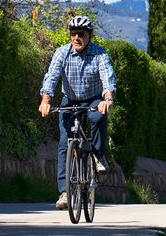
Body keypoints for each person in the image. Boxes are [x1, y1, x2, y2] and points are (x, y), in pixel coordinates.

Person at [39, 13, 117, 211]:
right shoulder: (61, 53)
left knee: (98, 117)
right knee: (66, 143)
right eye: (73, 34)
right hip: (70, 99)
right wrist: (46, 101)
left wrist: (107, 100)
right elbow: (51, 78)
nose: (76, 38)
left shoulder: (100, 54)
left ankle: (98, 157)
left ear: (89, 36)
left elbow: (108, 79)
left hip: (93, 99)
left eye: (81, 34)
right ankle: (65, 192)